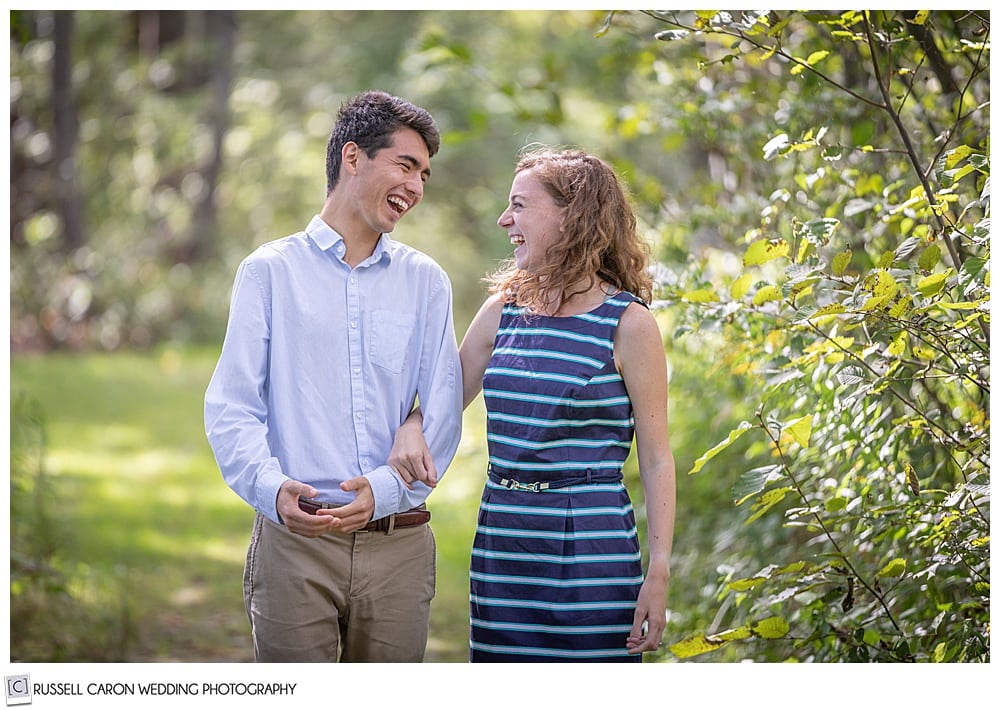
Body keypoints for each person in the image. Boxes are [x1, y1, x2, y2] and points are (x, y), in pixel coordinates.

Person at [203, 90, 463, 663]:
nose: (417, 186)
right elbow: (232, 407)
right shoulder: (268, 273)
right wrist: (270, 489)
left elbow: (444, 409)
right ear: (353, 158)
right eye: (405, 165)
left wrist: (387, 490)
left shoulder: (425, 282)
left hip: (399, 544)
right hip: (295, 545)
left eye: (424, 174)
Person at [391, 146, 676, 662]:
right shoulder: (504, 309)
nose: (505, 220)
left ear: (571, 215)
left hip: (592, 546)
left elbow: (656, 459)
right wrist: (413, 424)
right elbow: (443, 398)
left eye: (519, 205)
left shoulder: (629, 325)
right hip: (503, 535)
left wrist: (658, 571)